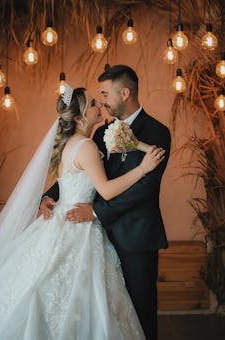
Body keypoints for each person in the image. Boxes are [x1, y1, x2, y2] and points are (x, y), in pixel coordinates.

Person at [0, 85, 166, 340]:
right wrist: (143, 168)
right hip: (78, 226)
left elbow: (66, 184)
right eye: (93, 104)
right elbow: (106, 191)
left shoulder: (68, 143)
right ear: (79, 117)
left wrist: (47, 197)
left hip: (62, 219)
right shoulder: (86, 146)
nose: (100, 107)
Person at [41, 65, 171, 340]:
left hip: (135, 236)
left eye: (105, 94)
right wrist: (49, 195)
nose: (102, 102)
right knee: (104, 314)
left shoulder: (157, 133)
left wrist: (96, 212)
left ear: (125, 93)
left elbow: (146, 189)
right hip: (97, 239)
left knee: (138, 313)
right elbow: (80, 173)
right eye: (97, 97)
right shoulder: (100, 133)